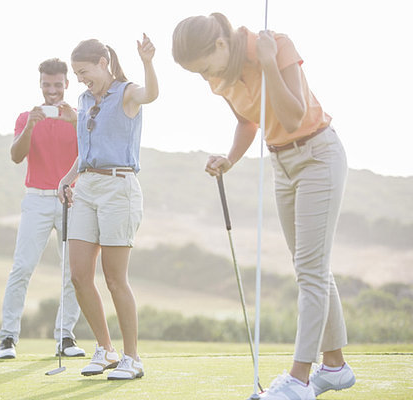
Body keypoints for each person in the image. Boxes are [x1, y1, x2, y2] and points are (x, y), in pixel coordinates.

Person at [172, 13, 356, 400]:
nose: (206, 78)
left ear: (220, 45)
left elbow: (291, 118)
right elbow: (247, 122)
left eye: (204, 68)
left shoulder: (277, 46)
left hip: (318, 156)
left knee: (310, 269)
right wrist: (230, 158)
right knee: (311, 267)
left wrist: (270, 62)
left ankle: (299, 379)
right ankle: (335, 367)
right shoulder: (220, 78)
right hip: (282, 165)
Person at [56, 34, 158, 380]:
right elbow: (86, 150)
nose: (82, 79)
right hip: (85, 186)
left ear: (103, 63)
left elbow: (152, 94)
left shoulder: (128, 92)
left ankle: (132, 358)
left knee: (115, 279)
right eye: (78, 73)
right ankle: (106, 350)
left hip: (119, 188)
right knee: (79, 275)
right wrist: (67, 179)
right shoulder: (84, 100)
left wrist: (147, 61)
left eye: (85, 71)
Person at [0, 58, 85, 359]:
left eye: (57, 85)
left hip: (71, 197)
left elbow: (90, 153)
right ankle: (7, 338)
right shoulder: (26, 117)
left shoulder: (79, 117)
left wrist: (75, 121)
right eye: (47, 85)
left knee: (74, 270)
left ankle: (65, 337)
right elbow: (15, 156)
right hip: (36, 198)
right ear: (40, 84)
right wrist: (31, 127)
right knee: (22, 267)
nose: (52, 91)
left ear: (66, 84)